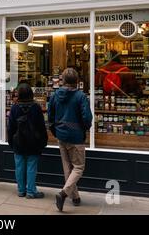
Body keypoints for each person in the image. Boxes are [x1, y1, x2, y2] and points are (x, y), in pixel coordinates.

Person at [48, 68, 93, 212]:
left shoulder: (55, 95)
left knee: (68, 168)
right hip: (76, 136)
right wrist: (84, 129)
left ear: (63, 81)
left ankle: (75, 197)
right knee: (78, 167)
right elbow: (87, 117)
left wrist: (55, 130)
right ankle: (63, 194)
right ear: (77, 81)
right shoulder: (80, 96)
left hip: (61, 135)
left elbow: (50, 115)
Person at [8, 83, 48, 199]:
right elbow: (41, 126)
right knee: (31, 166)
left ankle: (21, 190)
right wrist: (43, 142)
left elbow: (10, 127)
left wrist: (11, 141)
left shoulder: (15, 108)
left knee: (19, 166)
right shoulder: (36, 107)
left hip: (18, 142)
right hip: (33, 142)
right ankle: (31, 191)